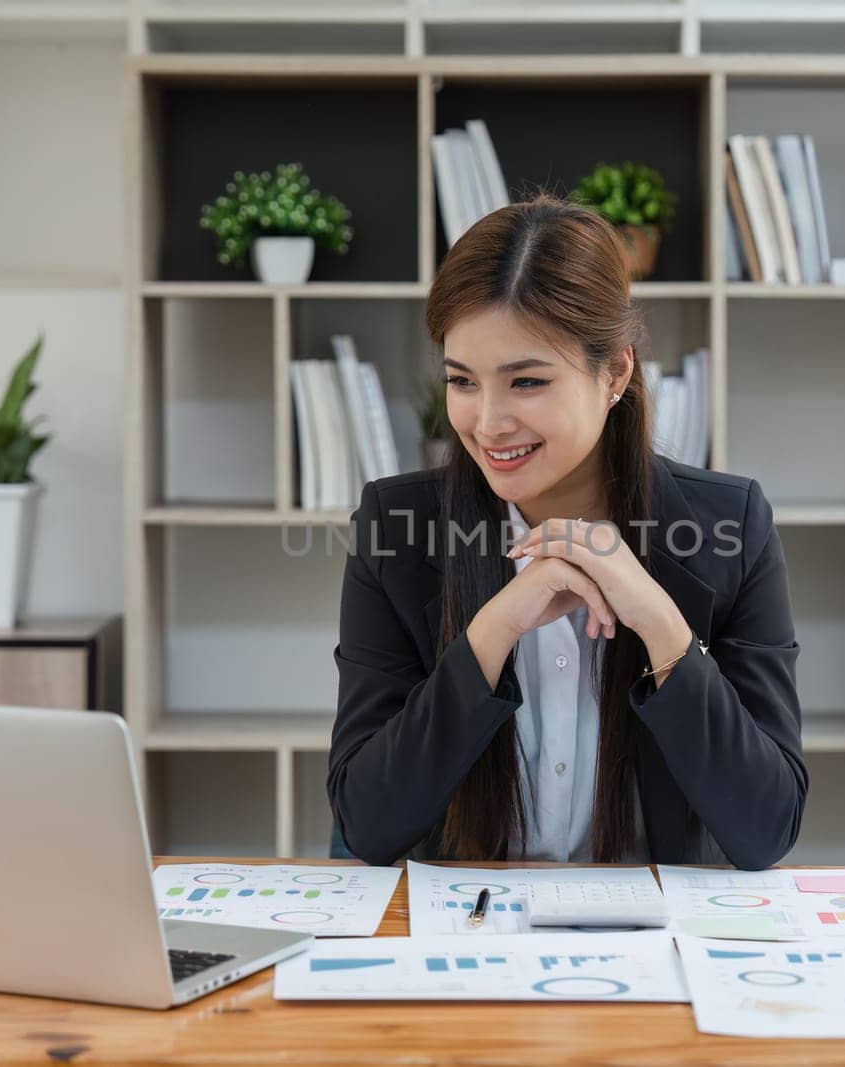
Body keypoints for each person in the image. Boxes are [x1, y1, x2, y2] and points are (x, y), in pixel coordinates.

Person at [327, 194, 805, 870]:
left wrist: (661, 624)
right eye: (463, 381)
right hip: (463, 943)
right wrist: (494, 630)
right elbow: (368, 823)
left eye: (526, 381)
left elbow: (766, 828)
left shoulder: (729, 527)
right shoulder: (398, 532)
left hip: (653, 953)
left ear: (614, 372)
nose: (488, 423)